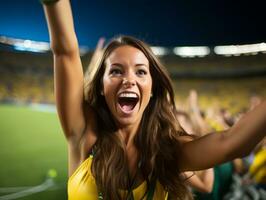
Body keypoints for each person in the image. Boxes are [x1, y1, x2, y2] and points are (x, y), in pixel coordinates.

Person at [41, 0, 266, 199]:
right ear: (101, 86)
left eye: (140, 72)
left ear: (152, 89)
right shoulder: (84, 133)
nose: (128, 79)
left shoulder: (167, 151)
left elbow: (231, 144)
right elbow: (65, 52)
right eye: (116, 71)